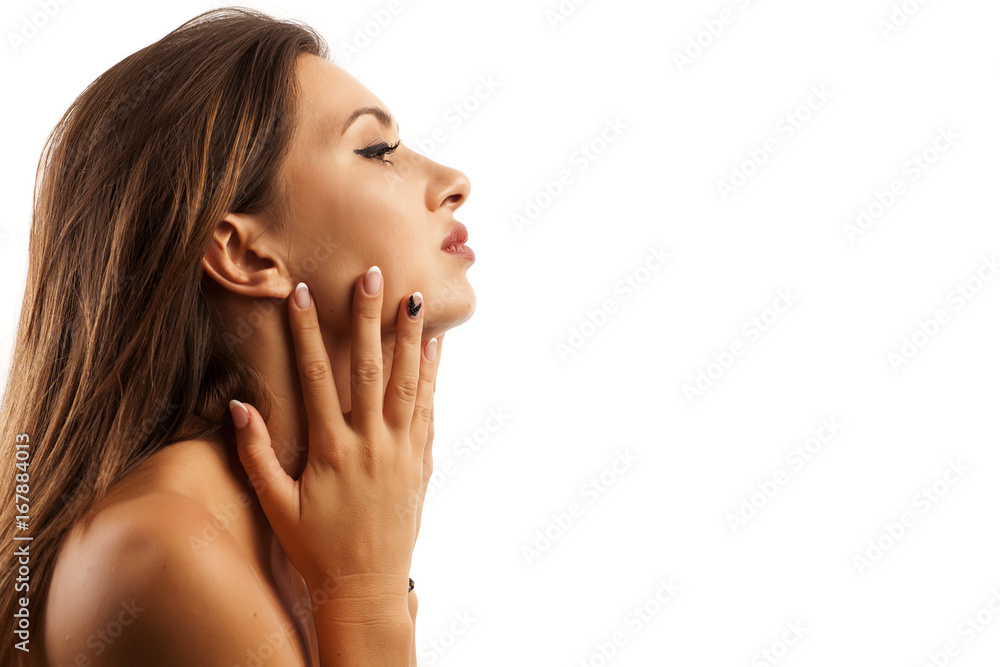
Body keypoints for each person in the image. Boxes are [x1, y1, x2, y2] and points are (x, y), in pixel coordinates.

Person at [0, 7, 476, 666]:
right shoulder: (159, 549)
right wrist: (367, 593)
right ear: (245, 253)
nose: (454, 183)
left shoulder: (304, 523)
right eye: (376, 151)